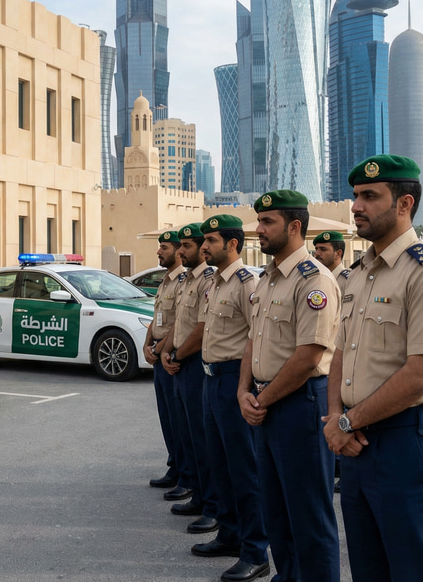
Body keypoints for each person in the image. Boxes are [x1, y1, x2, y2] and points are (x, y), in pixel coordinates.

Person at [323, 154, 423, 582]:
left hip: (409, 438)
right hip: (356, 441)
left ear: (404, 204)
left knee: (415, 568)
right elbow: (341, 353)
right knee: (369, 569)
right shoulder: (360, 273)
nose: (356, 206)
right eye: (355, 197)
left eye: (369, 196)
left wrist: (346, 424)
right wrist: (334, 418)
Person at [238, 189, 340, 582]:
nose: (259, 230)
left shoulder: (314, 281)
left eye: (268, 222)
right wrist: (242, 390)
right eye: (259, 222)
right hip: (266, 402)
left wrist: (259, 398)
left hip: (300, 406)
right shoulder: (268, 279)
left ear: (294, 227)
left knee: (309, 516)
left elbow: (309, 355)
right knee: (276, 511)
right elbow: (253, 339)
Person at [193, 215, 269, 582]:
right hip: (210, 380)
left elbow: (257, 340)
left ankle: (255, 550)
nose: (204, 246)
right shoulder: (215, 282)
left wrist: (245, 388)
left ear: (233, 244)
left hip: (232, 380)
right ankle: (229, 533)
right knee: (220, 463)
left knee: (244, 468)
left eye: (211, 240)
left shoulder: (246, 283)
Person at [161, 223, 218, 535]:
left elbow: (200, 328)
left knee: (203, 439)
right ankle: (199, 494)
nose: (181, 252)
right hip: (181, 362)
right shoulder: (188, 280)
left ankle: (212, 504)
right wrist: (166, 351)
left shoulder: (208, 280)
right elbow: (178, 323)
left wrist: (178, 355)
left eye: (186, 246)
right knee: (189, 436)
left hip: (196, 364)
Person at [143, 230, 190, 500]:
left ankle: (186, 474)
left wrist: (160, 349)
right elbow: (157, 318)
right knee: (167, 419)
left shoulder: (183, 280)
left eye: (164, 247)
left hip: (172, 356)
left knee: (180, 421)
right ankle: (175, 467)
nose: (159, 252)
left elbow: (180, 323)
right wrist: (146, 344)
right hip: (160, 353)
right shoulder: (165, 281)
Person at [312, 230, 350, 295]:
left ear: (338, 254)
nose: (317, 253)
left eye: (323, 249)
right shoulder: (314, 278)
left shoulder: (349, 280)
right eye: (316, 249)